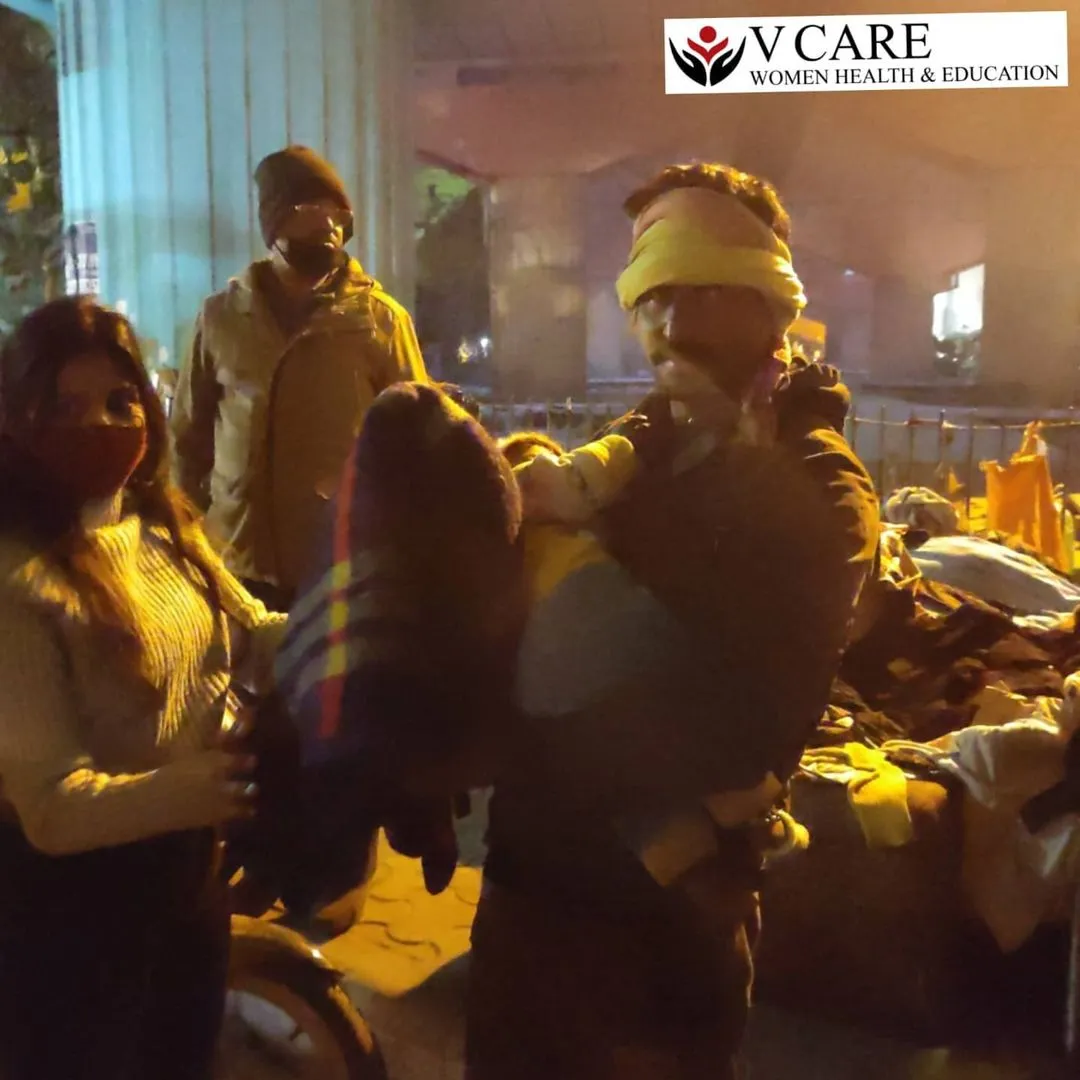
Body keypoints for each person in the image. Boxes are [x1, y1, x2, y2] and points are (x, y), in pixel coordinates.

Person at [466, 163, 880, 1079]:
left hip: (659, 923)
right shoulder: (636, 451)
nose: (667, 321)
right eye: (650, 294)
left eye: (701, 291)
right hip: (532, 887)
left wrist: (555, 721)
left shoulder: (818, 488)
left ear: (771, 304)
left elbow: (748, 725)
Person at [0, 298, 285, 1079]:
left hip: (186, 881)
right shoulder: (16, 578)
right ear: (17, 418)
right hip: (72, 917)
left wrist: (350, 627)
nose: (98, 425)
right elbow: (52, 808)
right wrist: (206, 786)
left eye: (119, 400)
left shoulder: (161, 528)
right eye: (65, 406)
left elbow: (253, 635)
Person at [170, 145, 427, 611]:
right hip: (236, 569)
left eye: (337, 214)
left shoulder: (381, 321)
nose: (327, 226)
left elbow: (418, 442)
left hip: (340, 566)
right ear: (274, 222)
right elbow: (186, 442)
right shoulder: (221, 318)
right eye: (310, 210)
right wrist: (188, 539)